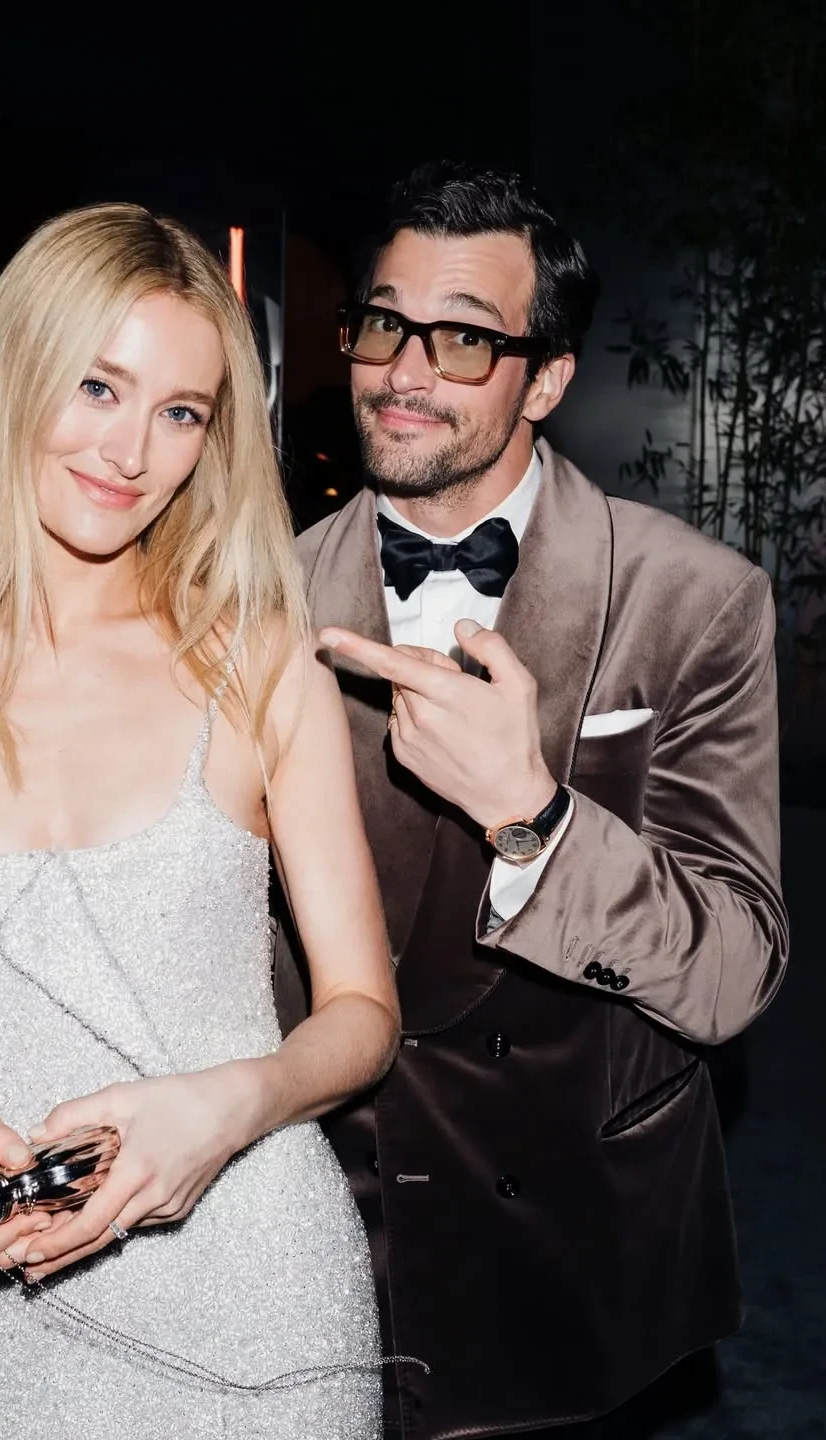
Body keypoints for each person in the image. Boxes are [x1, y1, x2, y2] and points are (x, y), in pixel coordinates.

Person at [0, 203, 401, 1439]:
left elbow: (363, 1017)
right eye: (99, 386)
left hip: (259, 1286)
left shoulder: (261, 666)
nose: (132, 452)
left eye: (182, 413)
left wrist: (229, 1107)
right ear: (16, 373)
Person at [273, 163, 789, 1438]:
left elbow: (733, 971)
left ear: (546, 380)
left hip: (571, 1214)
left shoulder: (696, 599)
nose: (406, 371)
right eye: (385, 324)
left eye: (463, 339)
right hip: (324, 1205)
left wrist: (534, 819)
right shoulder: (255, 597)